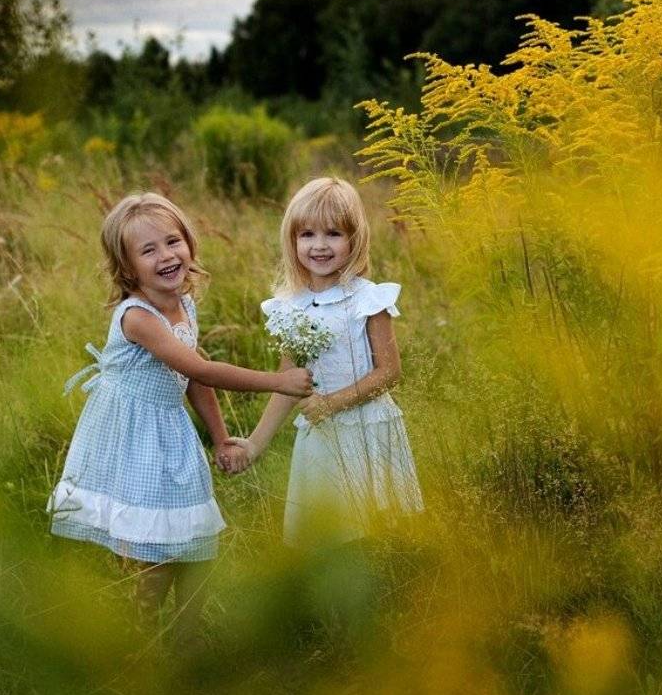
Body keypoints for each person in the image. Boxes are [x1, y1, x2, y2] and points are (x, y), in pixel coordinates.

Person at [49, 192, 313, 642]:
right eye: (148, 250)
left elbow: (194, 378)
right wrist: (278, 381)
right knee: (157, 550)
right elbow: (200, 369)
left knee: (197, 539)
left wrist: (221, 437)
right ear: (128, 267)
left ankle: (186, 639)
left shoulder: (183, 304)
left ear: (189, 244)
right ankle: (143, 640)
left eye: (173, 242)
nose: (167, 256)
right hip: (134, 439)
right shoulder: (138, 317)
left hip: (169, 431)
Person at [231, 177, 424, 545]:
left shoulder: (368, 299)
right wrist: (254, 444)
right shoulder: (291, 306)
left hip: (365, 427)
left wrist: (332, 403)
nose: (319, 245)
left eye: (333, 234)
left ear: (354, 239)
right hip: (321, 433)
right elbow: (287, 383)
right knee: (328, 535)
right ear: (293, 240)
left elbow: (389, 372)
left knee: (374, 534)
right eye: (307, 234)